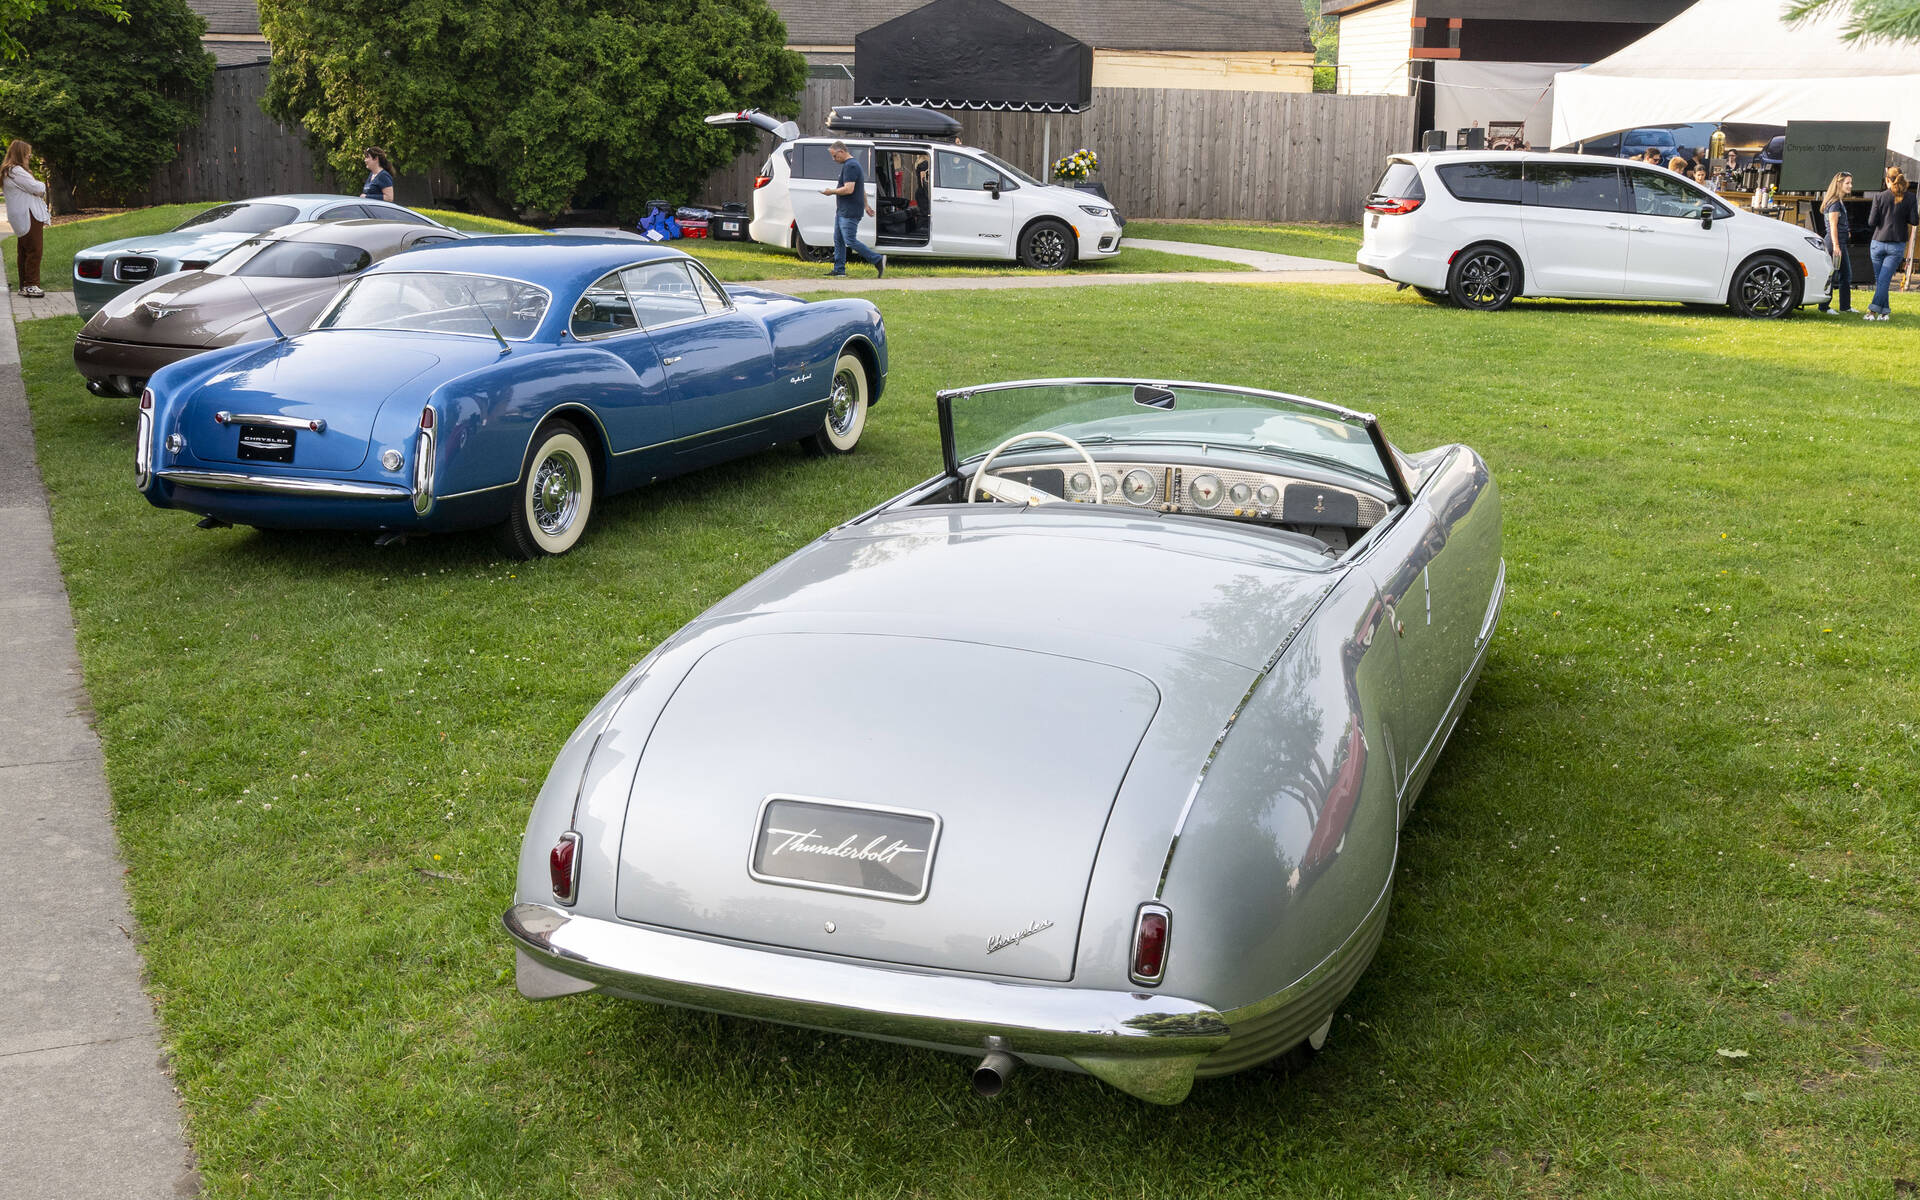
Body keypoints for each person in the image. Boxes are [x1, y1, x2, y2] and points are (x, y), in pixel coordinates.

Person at [820, 141, 884, 278]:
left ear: (841, 152)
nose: (833, 159)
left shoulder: (851, 166)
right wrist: (866, 205)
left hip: (849, 211)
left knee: (849, 240)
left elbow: (849, 189)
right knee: (838, 239)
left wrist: (831, 191)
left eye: (834, 156)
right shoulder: (851, 165)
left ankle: (877, 259)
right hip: (843, 210)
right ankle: (839, 269)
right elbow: (862, 189)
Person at [1864, 167, 1916, 320]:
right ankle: (1884, 312)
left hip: (1877, 242)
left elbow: (1871, 222)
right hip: (1896, 244)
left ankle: (1872, 312)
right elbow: (1914, 221)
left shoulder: (1879, 197)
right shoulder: (1911, 198)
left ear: (1887, 180)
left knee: (1882, 280)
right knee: (1883, 281)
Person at [2, 139, 50, 298]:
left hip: (20, 215)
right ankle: (31, 285)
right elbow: (36, 188)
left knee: (24, 250)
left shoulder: (9, 171)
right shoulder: (16, 170)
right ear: (20, 153)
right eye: (27, 153)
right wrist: (42, 185)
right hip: (28, 214)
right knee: (35, 249)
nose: (29, 156)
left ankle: (24, 285)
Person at [1816, 170, 1854, 315]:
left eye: (1851, 183)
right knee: (1832, 275)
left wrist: (1846, 231)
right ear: (1839, 184)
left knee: (1846, 275)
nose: (1850, 186)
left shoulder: (1838, 201)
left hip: (1840, 242)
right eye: (1847, 183)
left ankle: (1845, 307)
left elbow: (1839, 223)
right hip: (1834, 244)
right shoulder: (1835, 203)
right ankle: (1824, 307)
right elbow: (1832, 225)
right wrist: (1836, 246)